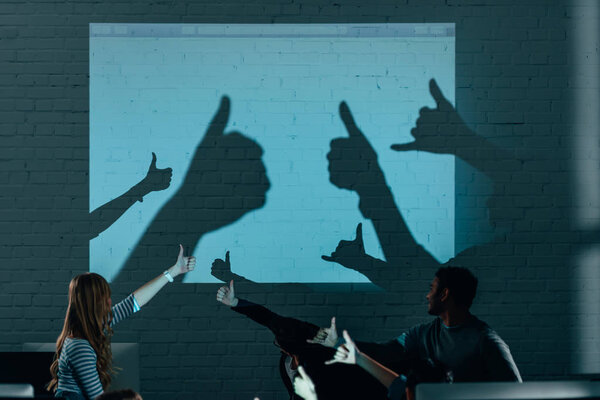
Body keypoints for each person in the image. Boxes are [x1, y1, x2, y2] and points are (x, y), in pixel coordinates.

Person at [311, 267, 522, 398]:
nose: (427, 296)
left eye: (431, 288)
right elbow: (386, 352)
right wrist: (335, 342)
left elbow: (517, 392)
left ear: (444, 294)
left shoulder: (486, 341)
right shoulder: (423, 333)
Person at [47, 245, 196, 400]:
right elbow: (99, 399)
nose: (110, 301)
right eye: (104, 298)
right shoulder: (80, 348)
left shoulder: (93, 326)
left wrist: (174, 271)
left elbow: (133, 302)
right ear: (93, 304)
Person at [216, 276, 387, 400]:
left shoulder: (319, 357)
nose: (279, 345)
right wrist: (235, 302)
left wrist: (336, 344)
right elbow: (265, 316)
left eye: (281, 345)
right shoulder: (288, 336)